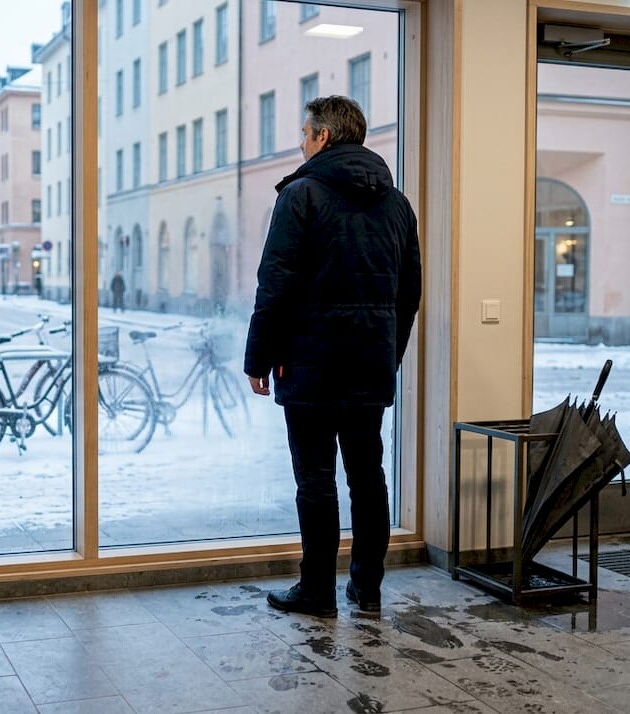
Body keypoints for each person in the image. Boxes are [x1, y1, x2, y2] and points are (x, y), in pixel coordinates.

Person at [244, 96, 421, 618]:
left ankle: (316, 590)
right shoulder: (398, 203)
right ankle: (367, 589)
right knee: (369, 478)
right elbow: (408, 294)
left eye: (305, 133)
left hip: (311, 365)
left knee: (316, 480)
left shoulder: (300, 195)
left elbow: (274, 284)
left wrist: (259, 357)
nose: (300, 142)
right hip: (370, 365)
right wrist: (388, 354)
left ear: (323, 137)